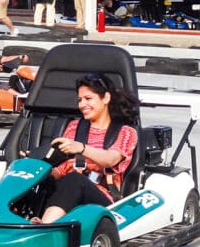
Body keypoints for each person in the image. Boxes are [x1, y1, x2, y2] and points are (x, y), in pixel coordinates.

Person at [37, 73, 139, 224]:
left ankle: (45, 227)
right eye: (80, 100)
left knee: (75, 180)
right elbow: (62, 169)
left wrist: (82, 148)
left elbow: (110, 159)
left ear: (106, 98)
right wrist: (36, 167)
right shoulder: (74, 128)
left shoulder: (125, 132)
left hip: (104, 198)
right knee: (38, 180)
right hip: (68, 191)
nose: (82, 104)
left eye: (88, 98)